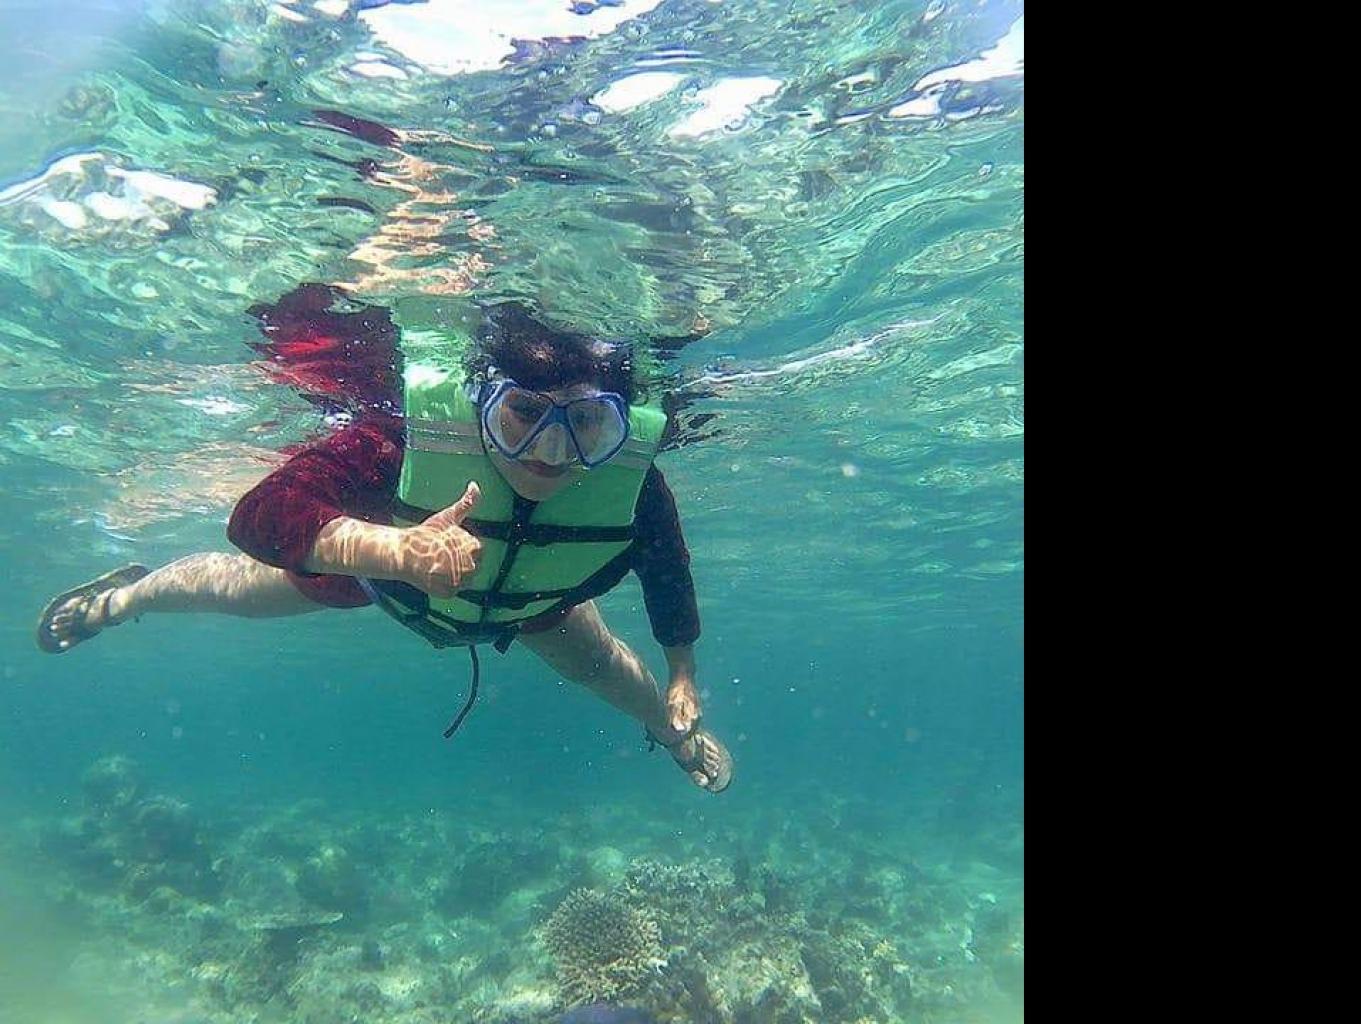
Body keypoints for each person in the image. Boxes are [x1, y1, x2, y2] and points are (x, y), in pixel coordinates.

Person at [36, 298, 733, 793]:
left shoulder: (634, 484)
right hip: (384, 580)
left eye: (587, 423)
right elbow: (257, 518)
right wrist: (391, 553)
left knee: (605, 668)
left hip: (533, 605)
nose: (552, 452)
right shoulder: (400, 440)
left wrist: (682, 672)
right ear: (483, 403)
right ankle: (122, 598)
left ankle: (674, 730)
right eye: (523, 414)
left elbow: (666, 568)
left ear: (620, 424)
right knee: (237, 590)